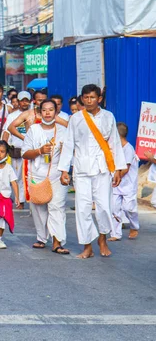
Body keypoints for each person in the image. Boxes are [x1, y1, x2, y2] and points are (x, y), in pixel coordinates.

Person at [58, 84, 126, 259]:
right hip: (81, 170)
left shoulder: (108, 117)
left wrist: (118, 169)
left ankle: (102, 238)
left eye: (92, 97)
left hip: (102, 169)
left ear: (99, 99)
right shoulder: (76, 119)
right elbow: (69, 144)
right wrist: (64, 169)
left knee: (104, 207)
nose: (89, 101)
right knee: (82, 209)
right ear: (82, 98)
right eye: (86, 97)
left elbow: (114, 144)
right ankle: (87, 246)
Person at [22, 100, 69, 254]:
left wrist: (65, 172)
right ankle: (41, 238)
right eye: (44, 110)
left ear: (56, 112)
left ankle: (57, 241)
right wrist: (40, 151)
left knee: (57, 206)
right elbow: (25, 153)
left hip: (57, 174)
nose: (47, 113)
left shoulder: (63, 131)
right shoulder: (33, 130)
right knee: (39, 207)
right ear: (39, 112)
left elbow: (68, 154)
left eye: (51, 110)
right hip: (37, 174)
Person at [108, 122, 139, 241]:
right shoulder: (114, 149)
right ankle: (116, 233)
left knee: (129, 208)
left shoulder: (128, 149)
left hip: (128, 185)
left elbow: (125, 168)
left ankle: (134, 226)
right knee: (114, 208)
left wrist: (116, 177)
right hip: (116, 185)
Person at [2, 91, 32, 209]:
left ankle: (33, 200)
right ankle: (20, 201)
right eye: (22, 100)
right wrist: (4, 147)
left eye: (27, 100)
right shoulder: (12, 116)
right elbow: (6, 132)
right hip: (17, 151)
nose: (24, 102)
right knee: (18, 177)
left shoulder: (34, 114)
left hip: (32, 151)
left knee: (31, 177)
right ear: (18, 102)